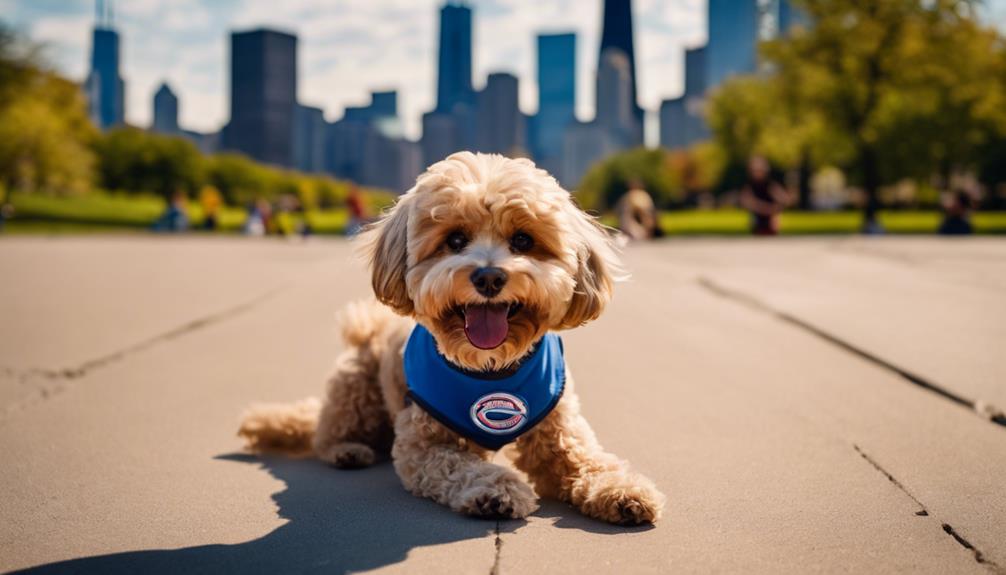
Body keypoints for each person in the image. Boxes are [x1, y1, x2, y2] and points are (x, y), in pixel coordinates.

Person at [740, 156, 791, 236]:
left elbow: (784, 200)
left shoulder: (770, 185)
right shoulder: (750, 186)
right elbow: (747, 202)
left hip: (771, 217)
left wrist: (777, 207)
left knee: (774, 219)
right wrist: (768, 209)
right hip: (758, 217)